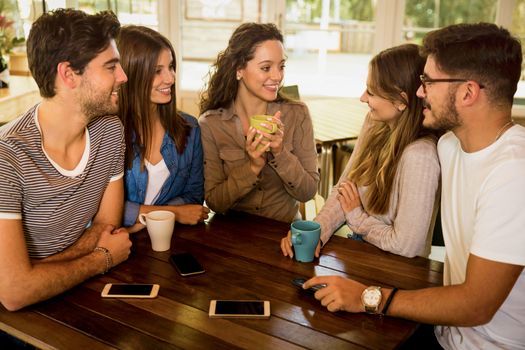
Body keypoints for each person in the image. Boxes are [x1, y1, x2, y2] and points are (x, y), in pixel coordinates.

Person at [304, 23, 525, 349]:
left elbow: (476, 305)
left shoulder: (513, 173)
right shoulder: (449, 146)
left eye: (428, 82)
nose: (420, 91)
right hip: (444, 333)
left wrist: (367, 297)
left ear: (467, 92)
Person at [0, 8, 132, 311]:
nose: (123, 77)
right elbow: (14, 292)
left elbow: (107, 227)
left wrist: (37, 272)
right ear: (68, 74)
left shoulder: (109, 132)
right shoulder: (7, 156)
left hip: (70, 294)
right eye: (111, 67)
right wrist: (101, 258)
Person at [281, 43, 440, 259]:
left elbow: (406, 246)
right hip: (360, 255)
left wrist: (357, 218)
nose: (363, 98)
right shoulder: (374, 124)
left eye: (371, 92)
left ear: (401, 101)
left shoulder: (421, 156)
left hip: (397, 274)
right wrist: (317, 232)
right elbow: (344, 190)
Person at [198, 23, 319, 223]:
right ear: (239, 69)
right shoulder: (211, 124)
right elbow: (214, 202)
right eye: (266, 68)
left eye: (281, 66)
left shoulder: (297, 114)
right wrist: (252, 167)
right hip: (230, 236)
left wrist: (280, 153)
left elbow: (307, 192)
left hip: (284, 234)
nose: (278, 76)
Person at [117, 25, 209, 233]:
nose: (170, 78)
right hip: (119, 248)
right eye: (157, 71)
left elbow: (193, 198)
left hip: (169, 242)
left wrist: (143, 218)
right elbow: (95, 209)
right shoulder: (108, 133)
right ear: (130, 73)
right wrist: (173, 213)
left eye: (171, 67)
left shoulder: (190, 128)